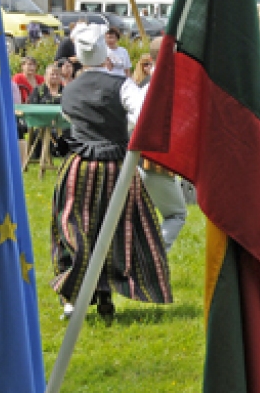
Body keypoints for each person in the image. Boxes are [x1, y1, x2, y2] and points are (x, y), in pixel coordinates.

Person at [51, 23, 172, 322]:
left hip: (79, 167)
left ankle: (75, 294)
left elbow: (69, 116)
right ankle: (104, 292)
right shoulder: (122, 84)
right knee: (120, 230)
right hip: (116, 167)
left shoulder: (71, 89)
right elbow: (145, 112)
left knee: (76, 230)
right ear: (106, 53)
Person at [135, 37, 189, 254]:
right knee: (176, 214)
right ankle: (153, 259)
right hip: (155, 162)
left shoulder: (148, 83)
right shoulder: (163, 85)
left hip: (141, 160)